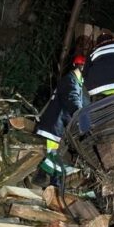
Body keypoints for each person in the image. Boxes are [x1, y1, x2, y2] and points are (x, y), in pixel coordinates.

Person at [33, 55, 88, 186]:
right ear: (81, 67)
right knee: (53, 155)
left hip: (57, 126)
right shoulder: (70, 81)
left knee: (54, 156)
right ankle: (49, 182)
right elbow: (72, 99)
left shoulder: (77, 81)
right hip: (54, 127)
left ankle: (49, 182)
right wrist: (80, 114)